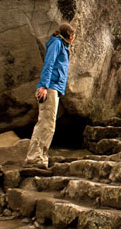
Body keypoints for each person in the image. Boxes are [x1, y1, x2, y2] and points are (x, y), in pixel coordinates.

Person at [24, 23, 75, 169]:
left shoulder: (62, 45)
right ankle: (34, 158)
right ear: (69, 35)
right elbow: (49, 63)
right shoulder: (57, 43)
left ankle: (41, 157)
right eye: (73, 35)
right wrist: (44, 86)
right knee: (46, 123)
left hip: (55, 87)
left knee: (50, 125)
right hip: (50, 87)